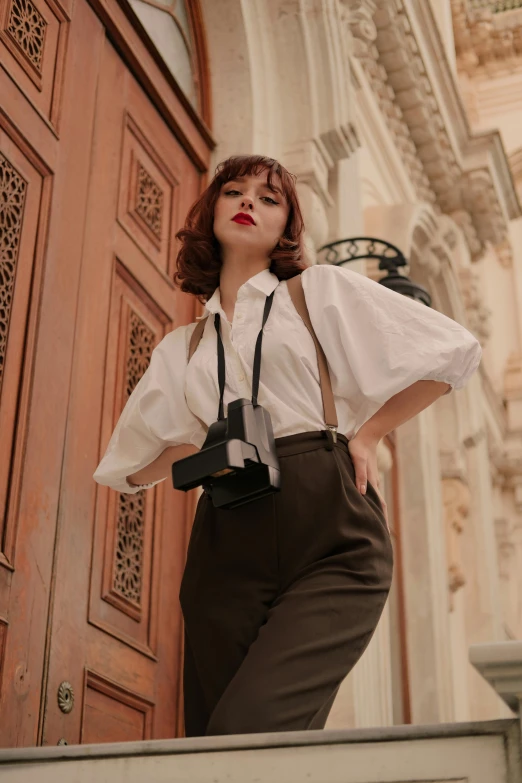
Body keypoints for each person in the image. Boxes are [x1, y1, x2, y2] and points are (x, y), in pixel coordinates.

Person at [93, 154, 482, 737]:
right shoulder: (183, 347)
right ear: (212, 210)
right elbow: (133, 467)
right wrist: (199, 452)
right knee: (216, 737)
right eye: (235, 192)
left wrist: (369, 433)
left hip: (327, 521)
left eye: (268, 198)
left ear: (286, 228)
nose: (249, 202)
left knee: (250, 725)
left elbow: (455, 351)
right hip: (226, 537)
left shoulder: (317, 291)